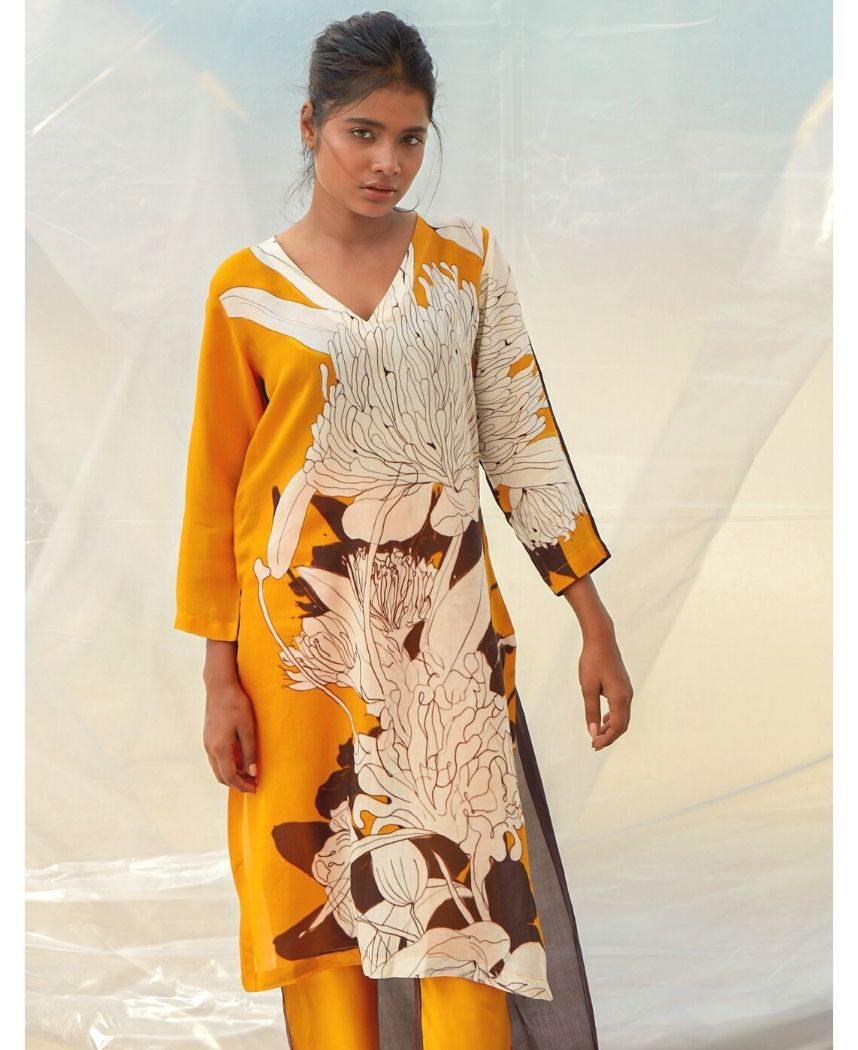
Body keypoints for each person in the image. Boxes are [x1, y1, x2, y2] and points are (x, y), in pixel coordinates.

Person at [173, 10, 633, 1049]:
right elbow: (217, 495)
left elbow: (522, 442)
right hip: (302, 656)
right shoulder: (245, 292)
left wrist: (592, 620)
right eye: (362, 134)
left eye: (411, 138)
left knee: (465, 920)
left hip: (446, 656)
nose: (388, 162)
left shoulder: (464, 266)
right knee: (329, 917)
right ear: (310, 127)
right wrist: (218, 678)